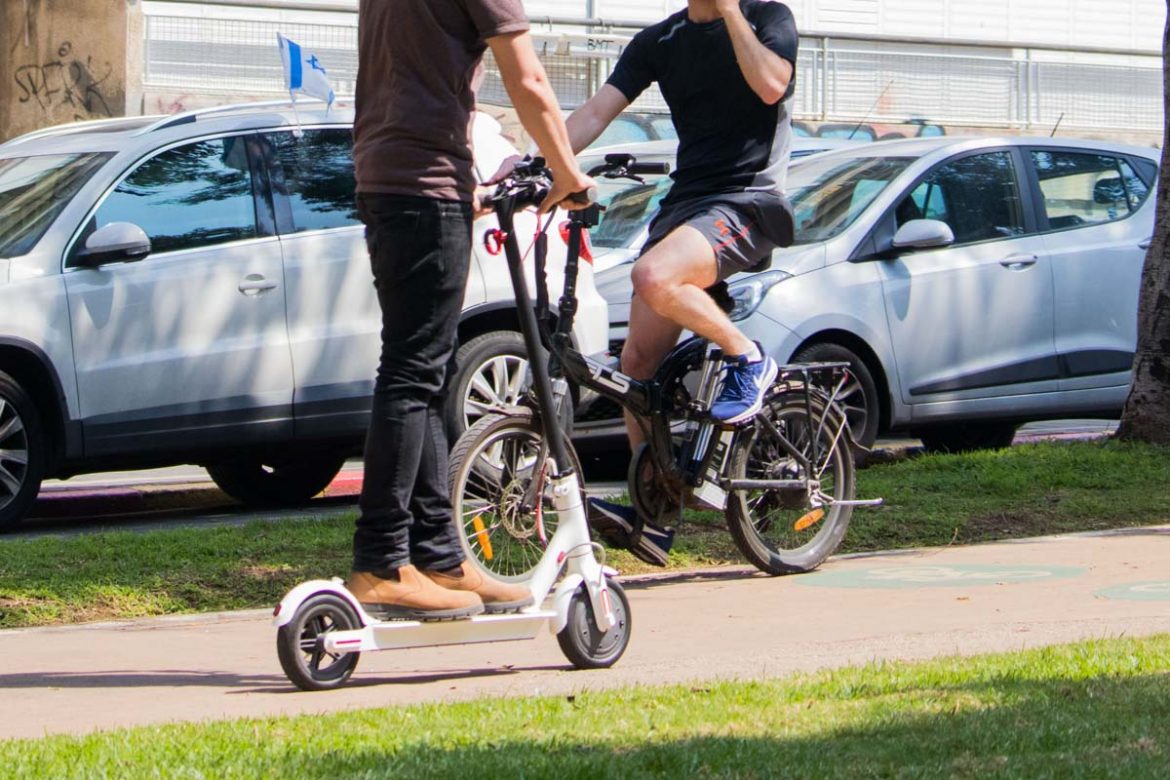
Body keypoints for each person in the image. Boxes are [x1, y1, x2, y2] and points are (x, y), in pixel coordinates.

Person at [347, 0, 596, 620]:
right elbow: (528, 79)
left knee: (425, 373)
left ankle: (438, 556)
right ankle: (381, 562)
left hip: (387, 177)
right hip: (425, 184)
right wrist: (569, 175)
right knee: (411, 373)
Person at [570, 0, 800, 566]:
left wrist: (730, 13)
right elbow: (595, 112)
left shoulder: (767, 18)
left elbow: (772, 85)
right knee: (636, 369)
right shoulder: (660, 40)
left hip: (749, 200)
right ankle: (656, 514)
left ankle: (748, 359)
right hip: (686, 206)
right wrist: (537, 161)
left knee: (653, 274)